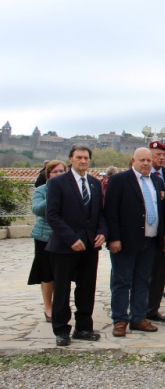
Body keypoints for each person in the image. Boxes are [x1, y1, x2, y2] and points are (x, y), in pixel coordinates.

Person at [104, 148, 165, 337]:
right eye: (142, 160)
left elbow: (162, 212)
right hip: (125, 241)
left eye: (149, 160)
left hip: (149, 241)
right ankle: (120, 320)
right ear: (133, 160)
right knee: (121, 281)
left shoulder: (157, 181)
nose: (146, 163)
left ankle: (138, 318)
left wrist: (164, 236)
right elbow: (111, 211)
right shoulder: (119, 180)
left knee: (142, 281)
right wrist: (113, 238)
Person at [46, 145, 107, 346]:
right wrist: (71, 238)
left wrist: (102, 232)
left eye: (86, 158)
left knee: (86, 288)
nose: (83, 161)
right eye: (79, 157)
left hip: (90, 246)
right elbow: (52, 215)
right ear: (70, 159)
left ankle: (83, 327)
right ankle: (62, 330)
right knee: (62, 289)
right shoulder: (58, 183)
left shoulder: (95, 184)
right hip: (65, 246)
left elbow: (101, 214)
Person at [28, 160, 66, 323]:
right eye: (55, 172)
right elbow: (37, 209)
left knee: (62, 274)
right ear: (48, 174)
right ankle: (48, 307)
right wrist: (52, 193)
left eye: (61, 171)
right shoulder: (42, 190)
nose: (58, 174)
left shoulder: (69, 189)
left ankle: (60, 306)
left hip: (64, 237)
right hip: (44, 237)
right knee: (47, 274)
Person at [145, 141, 165, 324]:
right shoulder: (139, 175)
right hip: (142, 232)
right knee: (140, 274)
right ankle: (136, 307)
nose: (161, 158)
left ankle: (153, 309)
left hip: (163, 232)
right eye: (157, 154)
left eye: (164, 155)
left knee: (158, 273)